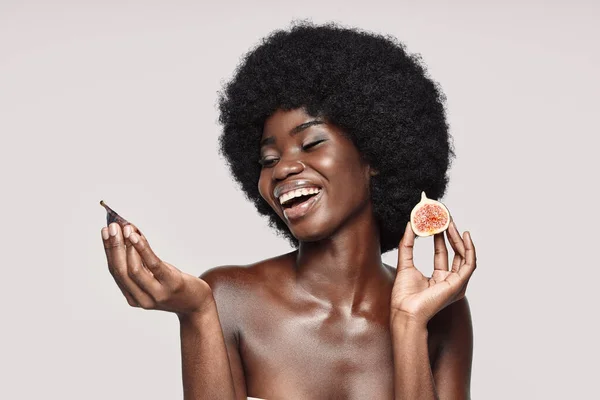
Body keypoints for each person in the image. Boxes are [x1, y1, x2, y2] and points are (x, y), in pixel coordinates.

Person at [101, 20, 477, 400]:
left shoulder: (441, 313)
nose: (282, 169)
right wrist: (196, 312)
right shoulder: (227, 298)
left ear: (374, 153)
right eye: (268, 158)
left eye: (311, 143)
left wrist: (410, 324)